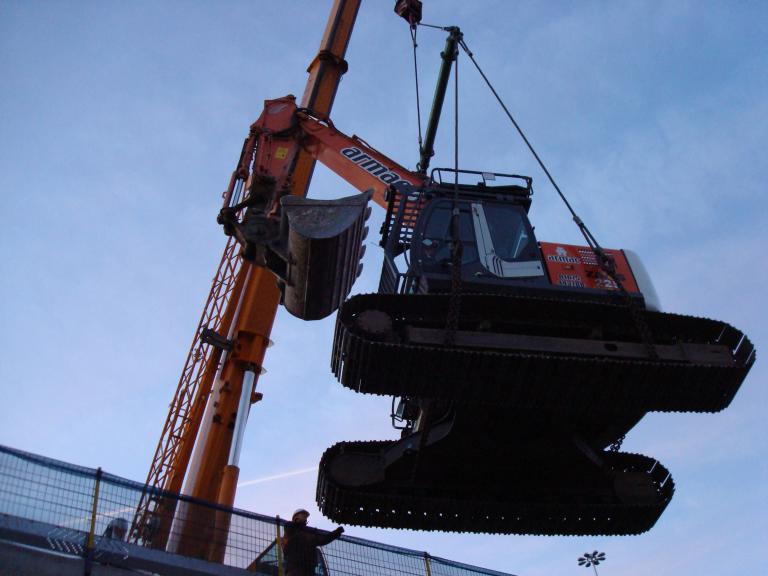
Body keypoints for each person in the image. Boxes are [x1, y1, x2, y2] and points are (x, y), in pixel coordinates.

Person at [282, 508, 343, 576]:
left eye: (306, 517)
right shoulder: (291, 529)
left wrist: (335, 533)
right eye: (303, 516)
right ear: (296, 517)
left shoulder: (308, 533)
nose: (305, 518)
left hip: (308, 569)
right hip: (295, 568)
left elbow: (322, 539)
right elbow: (290, 529)